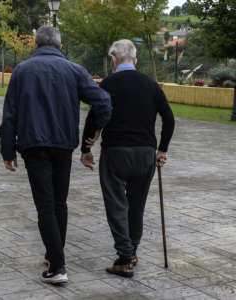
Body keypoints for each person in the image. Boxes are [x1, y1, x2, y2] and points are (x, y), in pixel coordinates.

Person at [0, 26, 112, 284]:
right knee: (59, 202)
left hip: (33, 145)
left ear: (36, 45)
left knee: (45, 204)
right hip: (63, 144)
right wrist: (93, 134)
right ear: (61, 46)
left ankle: (58, 266)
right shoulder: (74, 70)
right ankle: (55, 255)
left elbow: (10, 114)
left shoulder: (22, 71)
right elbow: (103, 102)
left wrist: (7, 149)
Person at [80, 39, 175, 278]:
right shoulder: (151, 84)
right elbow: (169, 119)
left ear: (113, 59)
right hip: (145, 154)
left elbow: (94, 117)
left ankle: (124, 258)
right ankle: (132, 251)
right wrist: (162, 150)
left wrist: (86, 149)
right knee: (137, 205)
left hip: (116, 152)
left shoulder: (108, 84)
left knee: (116, 205)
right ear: (135, 59)